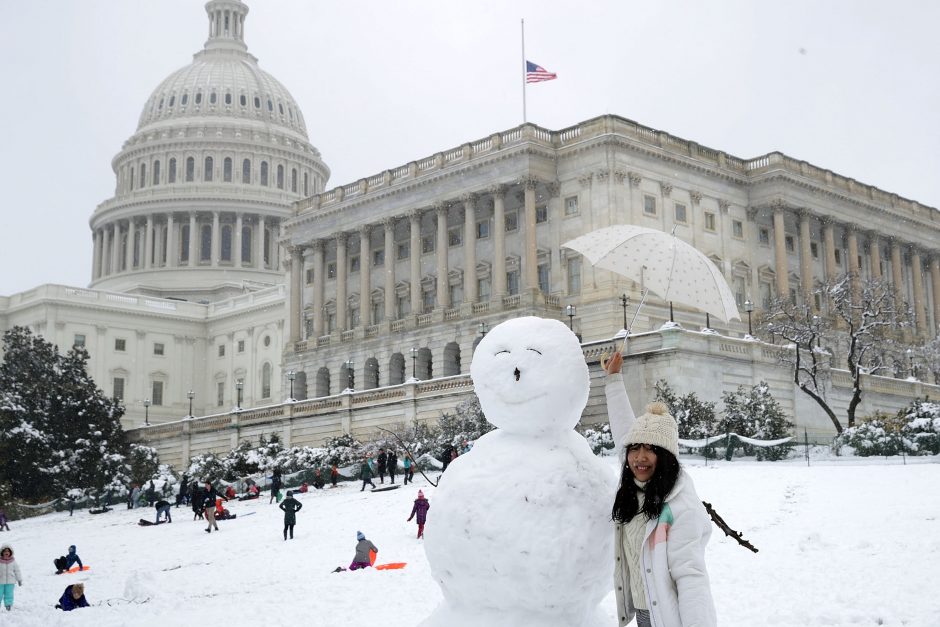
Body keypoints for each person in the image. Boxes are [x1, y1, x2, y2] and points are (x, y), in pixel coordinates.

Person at [605, 351, 716, 627]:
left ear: (665, 457)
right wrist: (613, 379)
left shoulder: (679, 507)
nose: (639, 457)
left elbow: (691, 577)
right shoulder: (635, 484)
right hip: (644, 611)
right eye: (635, 448)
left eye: (651, 450)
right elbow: (623, 431)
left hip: (668, 617)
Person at [0, 544, 23, 611]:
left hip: (10, 582)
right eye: (5, 551)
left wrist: (19, 579)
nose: (6, 553)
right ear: (2, 552)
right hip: (0, 582)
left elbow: (17, 571)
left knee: (9, 594)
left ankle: (8, 605)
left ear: (10, 553)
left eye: (8, 551)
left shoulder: (13, 562)